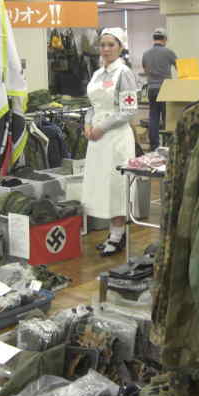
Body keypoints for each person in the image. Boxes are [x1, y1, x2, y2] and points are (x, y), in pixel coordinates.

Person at [82, 27, 138, 257]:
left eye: (110, 45)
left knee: (116, 186)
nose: (105, 49)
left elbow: (129, 110)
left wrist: (102, 127)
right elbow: (92, 105)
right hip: (96, 140)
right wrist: (87, 123)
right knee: (101, 185)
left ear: (120, 47)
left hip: (115, 139)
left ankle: (117, 235)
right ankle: (112, 233)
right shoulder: (97, 74)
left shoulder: (124, 73)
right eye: (102, 45)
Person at [142, 28, 177, 151]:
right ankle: (169, 145)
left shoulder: (146, 54)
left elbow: (145, 70)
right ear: (165, 39)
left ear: (154, 38)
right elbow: (180, 67)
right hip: (166, 88)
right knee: (168, 118)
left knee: (154, 116)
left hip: (151, 88)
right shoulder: (169, 52)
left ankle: (154, 146)